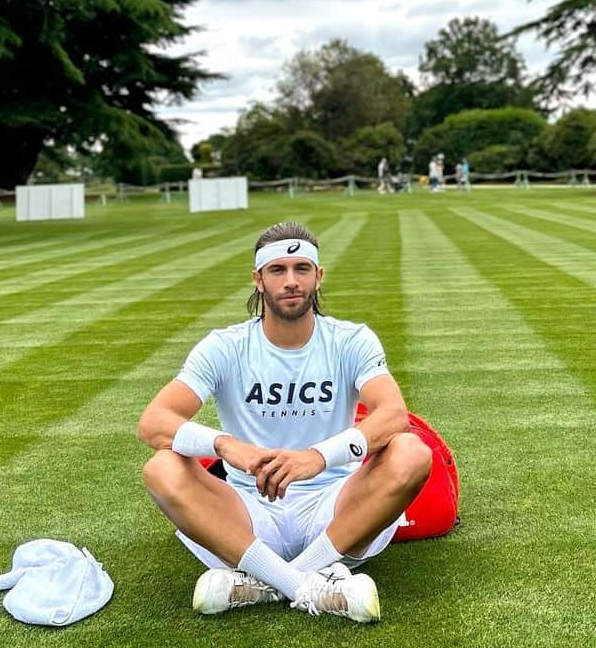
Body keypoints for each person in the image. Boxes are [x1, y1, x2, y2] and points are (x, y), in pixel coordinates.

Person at [138, 222, 432, 623]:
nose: (291, 281)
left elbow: (393, 414)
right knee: (162, 467)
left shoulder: (351, 340)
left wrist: (317, 458)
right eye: (277, 270)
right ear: (258, 280)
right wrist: (226, 445)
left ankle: (269, 582)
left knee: (412, 452)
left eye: (301, 269)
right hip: (248, 511)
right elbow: (154, 422)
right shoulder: (225, 346)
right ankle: (309, 587)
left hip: (337, 507)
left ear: (318, 276)